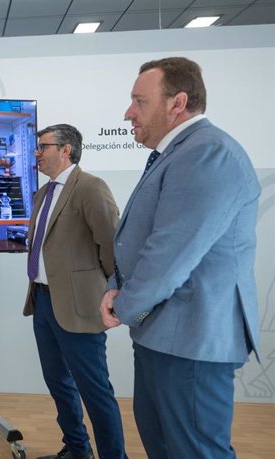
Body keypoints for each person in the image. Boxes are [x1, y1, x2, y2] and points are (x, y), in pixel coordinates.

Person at [100, 57, 260, 457]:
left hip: (192, 342)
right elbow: (142, 238)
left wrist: (123, 305)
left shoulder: (209, 154)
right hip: (164, 335)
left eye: (139, 101)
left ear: (177, 103)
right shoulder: (178, 153)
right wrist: (115, 286)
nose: (128, 113)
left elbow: (169, 255)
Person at [24, 124, 125, 459]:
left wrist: (110, 292)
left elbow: (112, 244)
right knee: (59, 384)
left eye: (43, 146)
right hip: (43, 301)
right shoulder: (43, 193)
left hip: (81, 305)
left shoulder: (91, 188)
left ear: (65, 150)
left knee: (94, 390)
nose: (37, 153)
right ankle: (77, 450)